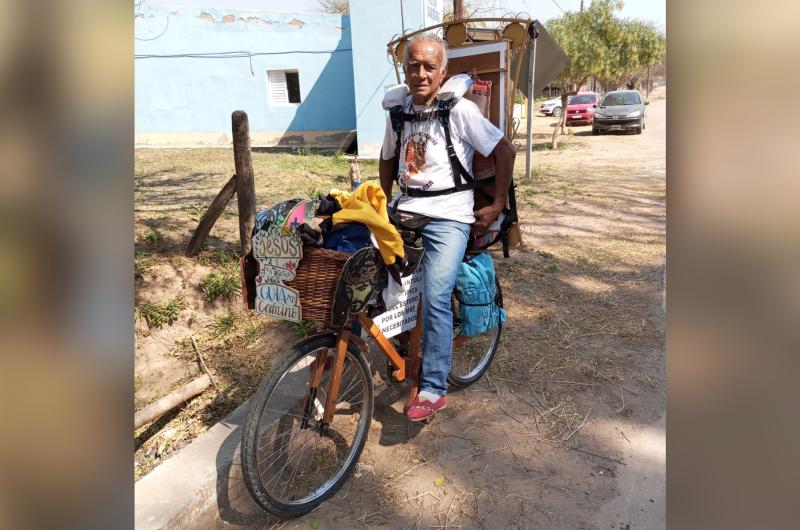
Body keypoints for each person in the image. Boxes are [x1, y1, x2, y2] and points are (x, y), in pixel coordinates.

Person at [378, 33, 516, 422]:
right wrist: (382, 202)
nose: (420, 74)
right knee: (376, 280)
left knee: (436, 294)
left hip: (449, 215)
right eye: (413, 66)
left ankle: (433, 387)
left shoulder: (459, 110)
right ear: (404, 69)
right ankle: (403, 344)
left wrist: (496, 205)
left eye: (428, 67)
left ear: (443, 72)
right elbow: (388, 158)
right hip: (405, 209)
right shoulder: (397, 111)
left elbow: (504, 150)